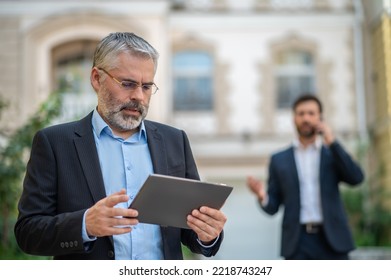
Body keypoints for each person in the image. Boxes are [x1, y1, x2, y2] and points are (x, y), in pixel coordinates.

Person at [14, 32, 227, 260]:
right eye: (128, 84)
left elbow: (190, 231)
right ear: (96, 78)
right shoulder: (54, 143)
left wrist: (207, 234)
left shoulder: (175, 141)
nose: (139, 97)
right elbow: (28, 232)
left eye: (146, 87)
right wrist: (85, 225)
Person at [247, 94, 364, 260]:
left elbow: (356, 178)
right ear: (294, 119)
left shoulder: (331, 154)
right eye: (301, 114)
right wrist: (261, 195)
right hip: (297, 242)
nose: (306, 118)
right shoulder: (279, 160)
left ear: (320, 118)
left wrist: (332, 142)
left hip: (332, 240)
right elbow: (272, 206)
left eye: (311, 113)